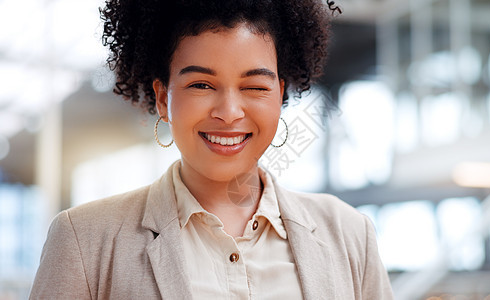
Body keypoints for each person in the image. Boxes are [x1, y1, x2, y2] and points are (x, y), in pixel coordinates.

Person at [30, 0, 394, 299]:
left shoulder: (349, 235)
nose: (229, 112)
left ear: (281, 96)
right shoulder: (85, 239)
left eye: (255, 87)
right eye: (202, 85)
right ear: (162, 98)